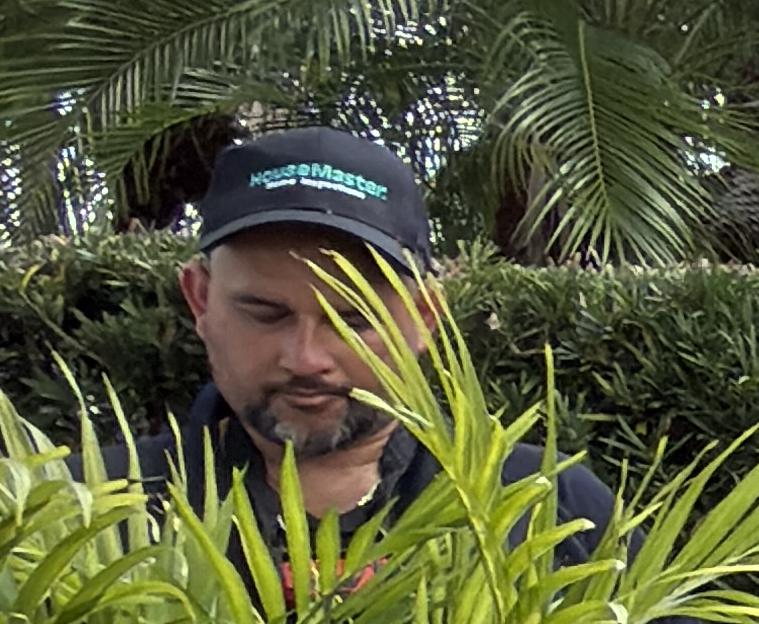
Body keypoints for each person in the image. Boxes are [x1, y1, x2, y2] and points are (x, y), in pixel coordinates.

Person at [128, 125, 618, 560]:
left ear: (425, 316)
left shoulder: (554, 513)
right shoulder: (95, 516)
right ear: (200, 300)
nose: (306, 358)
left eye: (353, 321)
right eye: (266, 314)